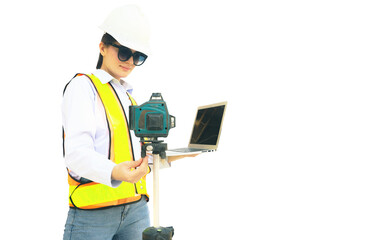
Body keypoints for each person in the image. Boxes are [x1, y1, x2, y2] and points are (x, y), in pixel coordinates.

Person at [62, 4, 194, 240]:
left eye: (138, 56)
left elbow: (134, 160)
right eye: (124, 52)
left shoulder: (129, 97)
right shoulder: (84, 87)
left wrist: (173, 155)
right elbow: (76, 154)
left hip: (136, 210)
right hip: (93, 217)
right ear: (102, 47)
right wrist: (115, 172)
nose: (130, 61)